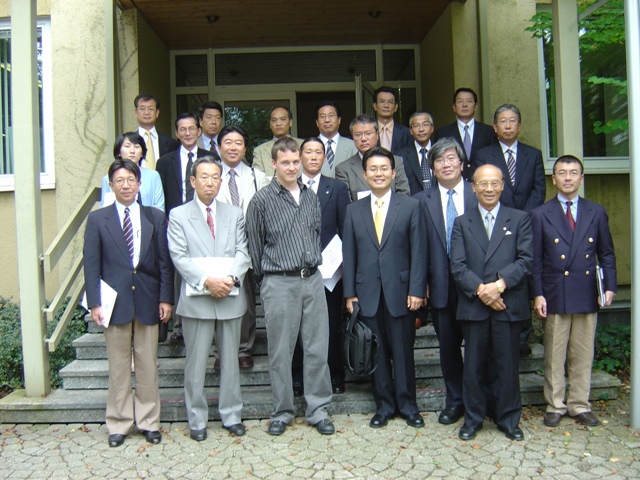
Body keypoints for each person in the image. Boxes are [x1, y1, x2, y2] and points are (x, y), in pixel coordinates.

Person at [246, 137, 335, 437]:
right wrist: (266, 282)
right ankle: (282, 412)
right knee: (281, 352)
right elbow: (255, 246)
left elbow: (315, 235)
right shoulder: (261, 201)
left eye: (296, 161)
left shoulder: (311, 197)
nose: (292, 167)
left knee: (317, 348)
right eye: (285, 162)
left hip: (313, 279)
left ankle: (318, 409)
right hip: (279, 281)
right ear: (273, 163)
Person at [84, 159, 174, 448]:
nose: (126, 185)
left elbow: (164, 262)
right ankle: (119, 423)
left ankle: (149, 421)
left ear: (139, 184)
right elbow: (91, 265)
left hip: (148, 299)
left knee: (148, 364)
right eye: (119, 180)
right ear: (111, 185)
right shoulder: (98, 220)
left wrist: (166, 298)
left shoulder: (155, 217)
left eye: (131, 180)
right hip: (114, 303)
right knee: (119, 366)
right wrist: (95, 303)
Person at [342, 146, 427, 429]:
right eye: (373, 169)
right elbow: (349, 253)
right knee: (374, 352)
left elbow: (419, 251)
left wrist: (417, 290)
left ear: (393, 172)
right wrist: (350, 293)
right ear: (365, 174)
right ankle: (384, 406)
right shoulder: (354, 210)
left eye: (383, 169)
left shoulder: (411, 206)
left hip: (401, 293)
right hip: (367, 294)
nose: (378, 174)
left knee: (402, 352)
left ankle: (408, 406)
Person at [530, 155, 617, 428]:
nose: (567, 178)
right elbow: (535, 260)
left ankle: (579, 404)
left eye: (573, 172)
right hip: (555, 292)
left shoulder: (596, 211)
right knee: (554, 354)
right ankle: (555, 404)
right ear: (553, 179)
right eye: (562, 173)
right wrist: (537, 293)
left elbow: (606, 253)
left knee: (583, 352)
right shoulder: (540, 214)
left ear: (581, 178)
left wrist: (610, 286)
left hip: (587, 291)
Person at [167, 156, 250, 442]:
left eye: (215, 177)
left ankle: (231, 415)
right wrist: (206, 281)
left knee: (230, 362)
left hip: (229, 295)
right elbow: (179, 256)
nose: (210, 182)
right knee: (196, 364)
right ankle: (197, 419)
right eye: (204, 177)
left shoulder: (234, 214)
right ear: (193, 181)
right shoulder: (178, 215)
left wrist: (230, 279)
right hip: (197, 300)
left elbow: (243, 251)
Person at [450, 164, 533, 442]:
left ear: (502, 186)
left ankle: (508, 418)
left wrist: (498, 287)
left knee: (506, 365)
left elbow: (525, 260)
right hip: (474, 306)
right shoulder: (462, 222)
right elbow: (457, 265)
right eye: (483, 184)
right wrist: (481, 291)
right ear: (473, 187)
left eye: (494, 183)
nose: (489, 189)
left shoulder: (519, 219)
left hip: (507, 304)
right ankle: (473, 419)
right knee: (473, 366)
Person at [472, 103, 546, 356]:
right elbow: (485, 190)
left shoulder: (533, 155)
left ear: (519, 125)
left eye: (512, 120)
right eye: (502, 121)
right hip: (494, 225)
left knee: (522, 274)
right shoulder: (483, 154)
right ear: (495, 127)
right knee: (498, 272)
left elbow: (539, 190)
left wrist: (520, 218)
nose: (507, 125)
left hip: (525, 224)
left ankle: (523, 336)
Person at [419, 138, 477, 425]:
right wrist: (421, 285)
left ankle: (479, 400)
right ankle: (455, 401)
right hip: (440, 286)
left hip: (477, 287)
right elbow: (418, 249)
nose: (446, 164)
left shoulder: (479, 193)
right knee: (449, 349)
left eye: (451, 158)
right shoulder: (421, 201)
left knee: (478, 347)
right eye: (440, 160)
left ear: (462, 164)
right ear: (433, 168)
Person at [292, 137, 351, 396]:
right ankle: (297, 377)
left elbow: (345, 228)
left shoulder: (336, 187)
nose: (314, 156)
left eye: (318, 152)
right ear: (300, 156)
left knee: (330, 324)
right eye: (309, 152)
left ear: (325, 157)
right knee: (297, 325)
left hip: (330, 269)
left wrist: (342, 265)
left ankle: (335, 374)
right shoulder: (288, 186)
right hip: (296, 267)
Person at [215, 125, 269, 369]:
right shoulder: (210, 174)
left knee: (246, 301)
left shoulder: (258, 176)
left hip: (249, 248)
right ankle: (221, 351)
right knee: (219, 300)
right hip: (217, 248)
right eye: (228, 142)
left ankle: (244, 348)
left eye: (238, 143)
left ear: (245, 148)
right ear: (219, 147)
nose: (233, 147)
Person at [335, 114, 410, 201]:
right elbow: (346, 203)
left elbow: (404, 196)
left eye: (368, 134)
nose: (363, 139)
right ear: (352, 137)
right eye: (358, 135)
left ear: (377, 135)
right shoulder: (343, 169)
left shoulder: (396, 161)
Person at [156, 113, 213, 216]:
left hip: (205, 215)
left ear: (199, 131)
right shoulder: (164, 162)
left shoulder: (211, 158)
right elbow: (161, 194)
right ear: (177, 133)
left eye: (191, 129)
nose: (187, 133)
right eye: (183, 129)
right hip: (175, 217)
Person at [434, 88, 497, 173]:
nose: (464, 105)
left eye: (469, 101)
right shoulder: (443, 133)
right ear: (454, 107)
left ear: (476, 106)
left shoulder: (489, 131)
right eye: (460, 101)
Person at [101, 132, 165, 211]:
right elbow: (104, 207)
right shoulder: (108, 178)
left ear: (142, 153)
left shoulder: (153, 176)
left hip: (149, 218)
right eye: (127, 146)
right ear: (119, 152)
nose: (132, 151)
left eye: (137, 146)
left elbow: (160, 207)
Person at [252, 107, 303, 177]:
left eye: (283, 119)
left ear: (290, 122)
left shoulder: (304, 145)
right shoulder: (260, 151)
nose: (278, 123)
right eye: (274, 120)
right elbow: (258, 178)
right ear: (270, 124)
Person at [134, 93, 179, 168]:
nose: (146, 112)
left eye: (151, 109)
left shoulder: (171, 143)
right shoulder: (129, 142)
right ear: (136, 112)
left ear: (157, 113)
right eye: (142, 109)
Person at [397, 111, 437, 195]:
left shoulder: (441, 151)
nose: (421, 129)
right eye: (416, 125)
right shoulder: (400, 156)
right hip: (412, 201)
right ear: (411, 130)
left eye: (425, 124)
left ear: (432, 128)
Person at [315, 101, 358, 177]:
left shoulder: (353, 146)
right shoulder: (307, 147)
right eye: (322, 116)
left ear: (339, 120)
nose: (327, 120)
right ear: (317, 122)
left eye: (331, 116)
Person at [372, 86, 412, 154]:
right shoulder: (369, 132)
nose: (386, 105)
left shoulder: (406, 133)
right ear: (375, 106)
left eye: (390, 102)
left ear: (395, 107)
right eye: (382, 101)